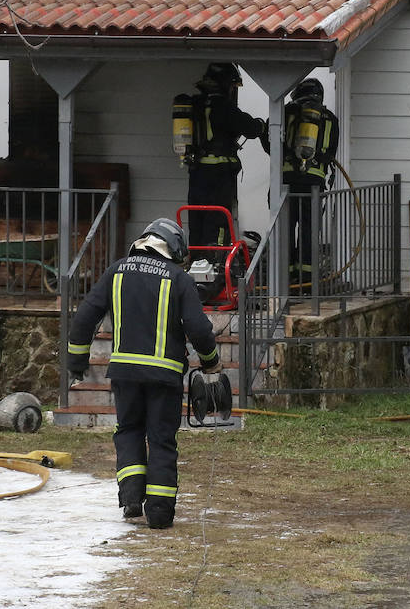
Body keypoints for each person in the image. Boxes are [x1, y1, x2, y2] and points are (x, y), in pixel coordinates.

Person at [66, 218, 220, 529]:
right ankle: (160, 513)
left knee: (129, 431)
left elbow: (84, 318)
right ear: (174, 248)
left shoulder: (116, 271)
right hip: (164, 375)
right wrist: (211, 363)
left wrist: (76, 361)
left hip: (124, 373)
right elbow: (200, 329)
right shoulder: (179, 278)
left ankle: (132, 499)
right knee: (161, 439)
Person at [179, 62, 266, 249]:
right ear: (226, 85)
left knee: (197, 218)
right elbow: (251, 129)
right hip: (219, 176)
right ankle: (214, 261)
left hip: (196, 173)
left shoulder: (193, 105)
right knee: (217, 218)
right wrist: (261, 125)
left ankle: (195, 259)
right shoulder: (225, 107)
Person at [281, 78, 339, 285]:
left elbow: (273, 144)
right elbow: (331, 152)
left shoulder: (287, 112)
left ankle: (284, 274)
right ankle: (306, 276)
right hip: (314, 183)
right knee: (309, 229)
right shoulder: (330, 118)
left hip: (287, 181)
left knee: (285, 228)